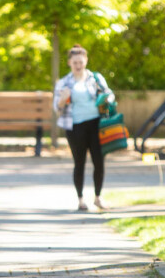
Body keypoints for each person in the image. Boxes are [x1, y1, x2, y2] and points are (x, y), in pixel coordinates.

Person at [53, 45, 112, 211]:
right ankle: (80, 199)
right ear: (69, 63)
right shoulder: (64, 83)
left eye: (81, 61)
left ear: (86, 61)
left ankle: (98, 197)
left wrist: (107, 98)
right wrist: (62, 100)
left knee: (99, 162)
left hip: (96, 124)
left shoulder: (95, 78)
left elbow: (109, 94)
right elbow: (56, 109)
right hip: (75, 126)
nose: (78, 65)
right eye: (75, 62)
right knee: (79, 162)